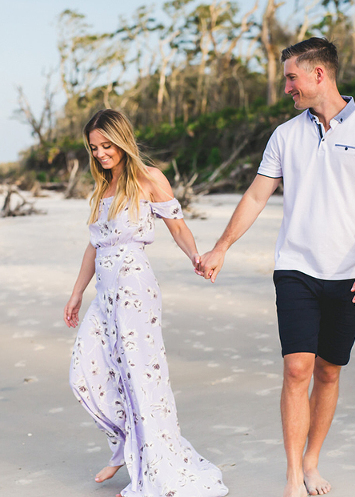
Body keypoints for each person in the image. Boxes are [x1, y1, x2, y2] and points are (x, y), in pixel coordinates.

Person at [198, 38, 355, 497]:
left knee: (329, 371)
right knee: (297, 369)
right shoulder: (286, 135)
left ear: (318, 75)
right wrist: (221, 247)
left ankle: (312, 462)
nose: (286, 87)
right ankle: (292, 476)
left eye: (291, 77)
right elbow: (255, 195)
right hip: (296, 269)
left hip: (350, 273)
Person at [64, 109, 229, 497]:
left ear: (122, 141)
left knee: (141, 377)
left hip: (135, 288)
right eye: (94, 148)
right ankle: (124, 444)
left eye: (107, 146)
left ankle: (151, 465)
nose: (101, 154)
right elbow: (94, 246)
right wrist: (76, 293)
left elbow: (177, 225)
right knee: (84, 373)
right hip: (105, 294)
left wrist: (196, 257)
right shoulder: (102, 187)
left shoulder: (148, 179)